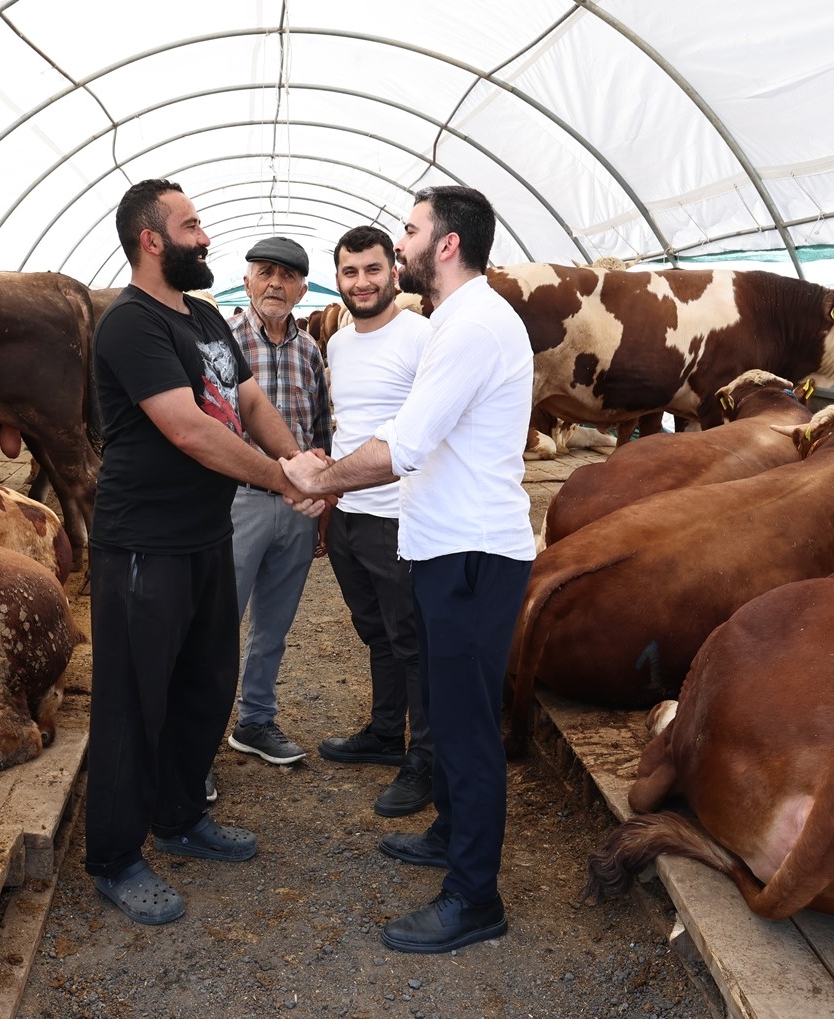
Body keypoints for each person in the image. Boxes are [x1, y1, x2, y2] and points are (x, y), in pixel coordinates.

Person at [282, 186, 536, 954]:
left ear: (447, 244)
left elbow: (404, 444)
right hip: (444, 545)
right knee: (448, 708)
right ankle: (450, 833)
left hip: (471, 553)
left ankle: (473, 897)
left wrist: (318, 481)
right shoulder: (460, 320)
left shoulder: (471, 326)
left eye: (410, 230)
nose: (402, 244)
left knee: (465, 731)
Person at [85, 179, 323, 926]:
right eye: (192, 226)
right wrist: (281, 479)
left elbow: (249, 404)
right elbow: (188, 428)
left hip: (202, 537)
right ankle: (116, 857)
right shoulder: (130, 324)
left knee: (204, 682)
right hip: (141, 545)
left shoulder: (207, 316)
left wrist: (299, 459)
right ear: (152, 239)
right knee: (132, 700)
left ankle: (181, 816)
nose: (206, 238)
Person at [317, 225, 436, 818]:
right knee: (377, 633)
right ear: (336, 278)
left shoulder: (422, 337)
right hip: (351, 514)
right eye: (349, 272)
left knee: (413, 642)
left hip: (400, 518)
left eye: (371, 269)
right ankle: (387, 733)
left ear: (394, 270)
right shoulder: (337, 342)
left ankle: (425, 759)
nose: (361, 282)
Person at [222, 237, 333, 768]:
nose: (275, 283)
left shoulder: (310, 350)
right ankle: (197, 746)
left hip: (297, 507)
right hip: (237, 501)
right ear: (245, 282)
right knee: (218, 624)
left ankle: (255, 720)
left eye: (287, 276)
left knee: (273, 626)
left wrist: (322, 507)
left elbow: (318, 432)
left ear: (302, 289)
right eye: (264, 272)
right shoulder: (222, 343)